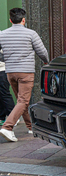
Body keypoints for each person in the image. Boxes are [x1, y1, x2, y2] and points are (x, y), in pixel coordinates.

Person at [0, 8, 49, 142]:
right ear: (23, 20)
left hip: (10, 72)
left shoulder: (2, 34)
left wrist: (6, 59)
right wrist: (46, 61)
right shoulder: (31, 33)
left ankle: (31, 126)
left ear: (10, 20)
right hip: (25, 72)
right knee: (23, 100)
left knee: (21, 100)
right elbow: (42, 51)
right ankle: (7, 127)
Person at [0, 53, 15, 124]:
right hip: (2, 69)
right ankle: (2, 117)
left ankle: (13, 117)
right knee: (1, 94)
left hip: (3, 69)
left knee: (5, 94)